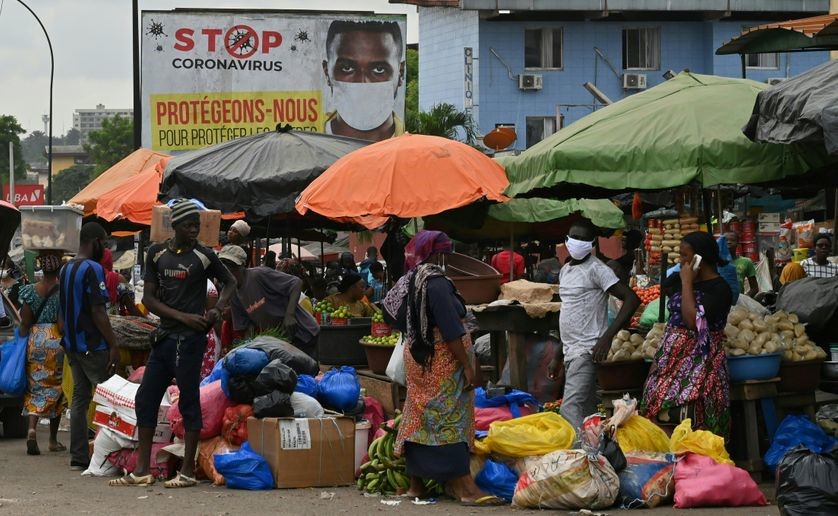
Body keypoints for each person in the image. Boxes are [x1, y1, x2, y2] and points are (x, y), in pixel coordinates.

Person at [110, 200, 236, 488]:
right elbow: (149, 299)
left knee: (189, 401)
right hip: (166, 337)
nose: (194, 230)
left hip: (190, 341)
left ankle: (188, 472)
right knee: (146, 398)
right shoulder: (156, 255)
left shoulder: (203, 256)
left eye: (196, 225)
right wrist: (183, 316)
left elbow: (229, 282)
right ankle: (142, 469)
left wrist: (216, 311)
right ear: (175, 226)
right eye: (189, 225)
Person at [383, 230, 503, 506]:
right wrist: (468, 364)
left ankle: (416, 485)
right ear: (436, 254)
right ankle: (466, 488)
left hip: (418, 360)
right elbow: (451, 330)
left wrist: (416, 331)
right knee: (449, 420)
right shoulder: (435, 282)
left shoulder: (411, 278)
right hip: (442, 362)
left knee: (419, 416)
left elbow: (389, 310)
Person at [548, 220, 640, 430]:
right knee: (587, 411)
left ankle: (580, 454)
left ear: (591, 244)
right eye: (575, 238)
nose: (578, 242)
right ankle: (597, 453)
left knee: (569, 408)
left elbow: (631, 299)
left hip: (587, 350)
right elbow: (570, 313)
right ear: (566, 241)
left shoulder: (598, 270)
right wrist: (557, 356)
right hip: (570, 350)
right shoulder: (566, 271)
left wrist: (607, 337)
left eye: (584, 239)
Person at [641, 232, 733, 438]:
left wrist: (687, 283)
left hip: (700, 362)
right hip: (670, 359)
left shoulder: (720, 289)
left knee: (692, 411)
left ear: (700, 258)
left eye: (685, 256)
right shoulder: (680, 280)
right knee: (655, 407)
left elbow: (693, 321)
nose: (681, 261)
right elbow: (666, 288)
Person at [58, 222, 120, 471]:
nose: (105, 248)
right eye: (103, 243)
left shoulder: (65, 269)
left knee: (79, 399)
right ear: (93, 241)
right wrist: (113, 345)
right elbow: (98, 311)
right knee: (111, 398)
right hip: (93, 346)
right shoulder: (92, 269)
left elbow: (62, 314)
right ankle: (111, 455)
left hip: (72, 346)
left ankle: (79, 456)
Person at [221, 245, 319, 358]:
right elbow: (246, 327)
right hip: (281, 341)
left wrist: (289, 315)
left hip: (302, 333)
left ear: (242, 266)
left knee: (305, 371)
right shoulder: (233, 294)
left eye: (232, 267)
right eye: (225, 267)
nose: (229, 271)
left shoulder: (258, 275)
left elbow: (296, 283)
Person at [322, 19, 405, 142]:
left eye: (379, 69)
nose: (363, 83)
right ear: (327, 72)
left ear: (400, 73)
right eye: (347, 68)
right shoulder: (306, 146)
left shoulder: (411, 152)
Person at [20, 253, 65, 456]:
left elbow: (24, 322)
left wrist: (21, 344)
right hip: (55, 341)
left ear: (42, 268)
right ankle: (53, 440)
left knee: (35, 387)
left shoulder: (30, 291)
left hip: (35, 340)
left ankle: (31, 429)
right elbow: (62, 325)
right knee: (57, 388)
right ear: (58, 270)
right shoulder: (61, 292)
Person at [726, 232, 758, 298]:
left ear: (738, 243)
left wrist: (745, 299)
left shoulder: (746, 262)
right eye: (726, 240)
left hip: (738, 303)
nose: (729, 242)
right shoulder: (716, 262)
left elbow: (754, 288)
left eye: (732, 240)